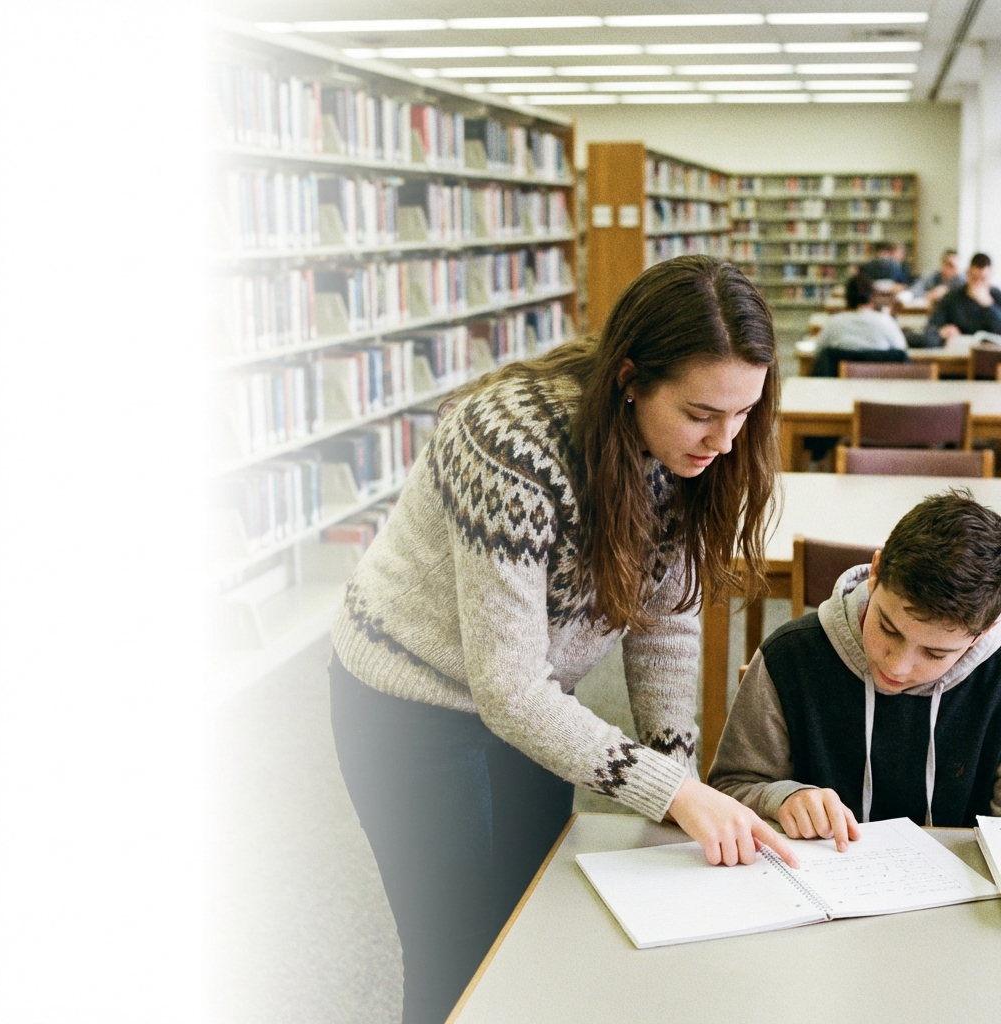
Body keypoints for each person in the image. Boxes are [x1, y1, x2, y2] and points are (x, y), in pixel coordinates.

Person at [329, 255, 796, 1024]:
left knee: (531, 924)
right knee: (456, 953)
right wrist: (675, 792)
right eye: (701, 412)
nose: (724, 437)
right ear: (630, 378)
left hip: (537, 697)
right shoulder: (508, 443)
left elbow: (666, 623)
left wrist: (673, 782)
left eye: (744, 412)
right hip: (409, 703)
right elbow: (506, 689)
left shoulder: (694, 449)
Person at [709, 490, 1001, 853]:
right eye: (888, 628)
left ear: (983, 633)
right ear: (875, 573)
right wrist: (783, 798)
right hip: (818, 888)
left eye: (934, 653)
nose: (897, 665)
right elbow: (728, 788)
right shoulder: (790, 658)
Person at [812, 272, 907, 357]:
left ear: (846, 299)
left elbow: (818, 352)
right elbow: (901, 350)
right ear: (872, 298)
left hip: (842, 375)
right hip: (877, 375)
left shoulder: (833, 323)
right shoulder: (886, 321)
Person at [925, 252, 1001, 345]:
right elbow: (931, 329)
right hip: (958, 352)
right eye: (974, 278)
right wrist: (942, 332)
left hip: (991, 354)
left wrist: (989, 305)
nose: (978, 283)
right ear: (967, 275)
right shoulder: (952, 297)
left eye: (983, 278)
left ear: (991, 276)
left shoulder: (997, 296)